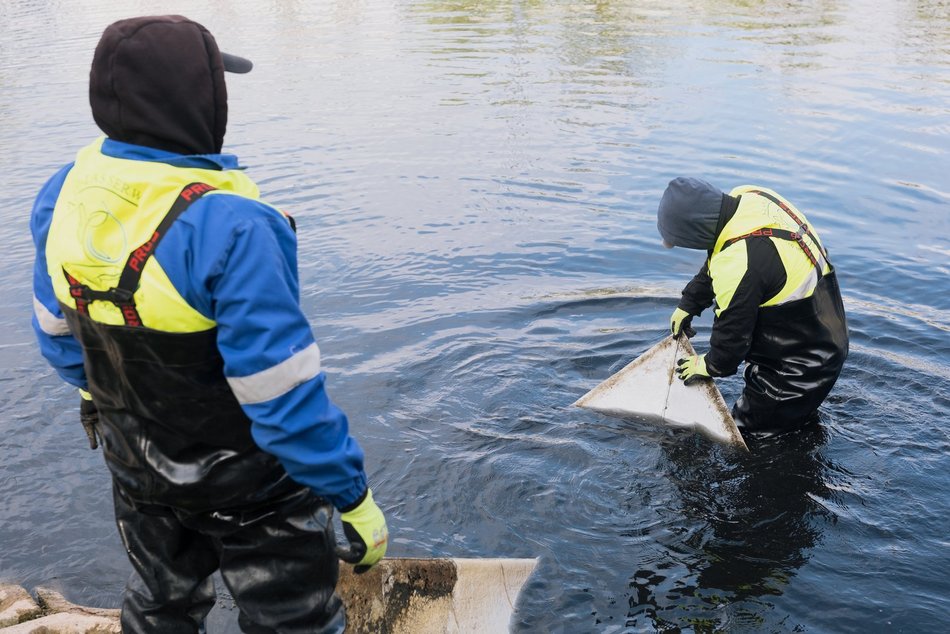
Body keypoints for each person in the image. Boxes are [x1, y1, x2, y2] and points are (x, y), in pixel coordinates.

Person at [30, 15, 387, 633]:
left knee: (161, 605)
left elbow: (57, 336)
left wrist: (110, 401)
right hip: (254, 492)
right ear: (196, 99)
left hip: (136, 468)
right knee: (291, 620)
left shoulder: (63, 192)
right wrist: (351, 495)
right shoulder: (237, 225)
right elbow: (282, 397)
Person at [656, 177, 848, 436]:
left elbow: (730, 346)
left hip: (797, 371)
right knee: (794, 430)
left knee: (749, 440)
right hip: (825, 334)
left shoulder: (739, 263)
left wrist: (706, 365)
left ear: (696, 231)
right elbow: (725, 252)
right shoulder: (750, 196)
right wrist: (690, 302)